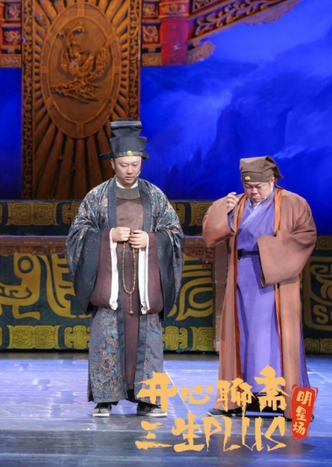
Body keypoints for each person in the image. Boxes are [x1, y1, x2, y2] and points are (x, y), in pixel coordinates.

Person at [66, 120, 184, 418]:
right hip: (111, 283)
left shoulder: (154, 196)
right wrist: (107, 236)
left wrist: (152, 240)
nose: (130, 170)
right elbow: (77, 234)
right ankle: (104, 398)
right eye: (123, 165)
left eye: (135, 164)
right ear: (112, 164)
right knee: (106, 335)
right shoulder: (97, 196)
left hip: (145, 283)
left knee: (149, 339)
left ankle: (149, 399)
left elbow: (174, 232)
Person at [203, 156, 316, 419]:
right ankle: (235, 400)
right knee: (241, 335)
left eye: (259, 186)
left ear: (272, 180)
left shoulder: (294, 203)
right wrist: (223, 211)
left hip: (275, 277)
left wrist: (269, 248)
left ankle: (285, 402)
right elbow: (211, 234)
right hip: (241, 276)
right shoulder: (237, 203)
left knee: (274, 337)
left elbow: (306, 236)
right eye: (248, 186)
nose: (253, 191)